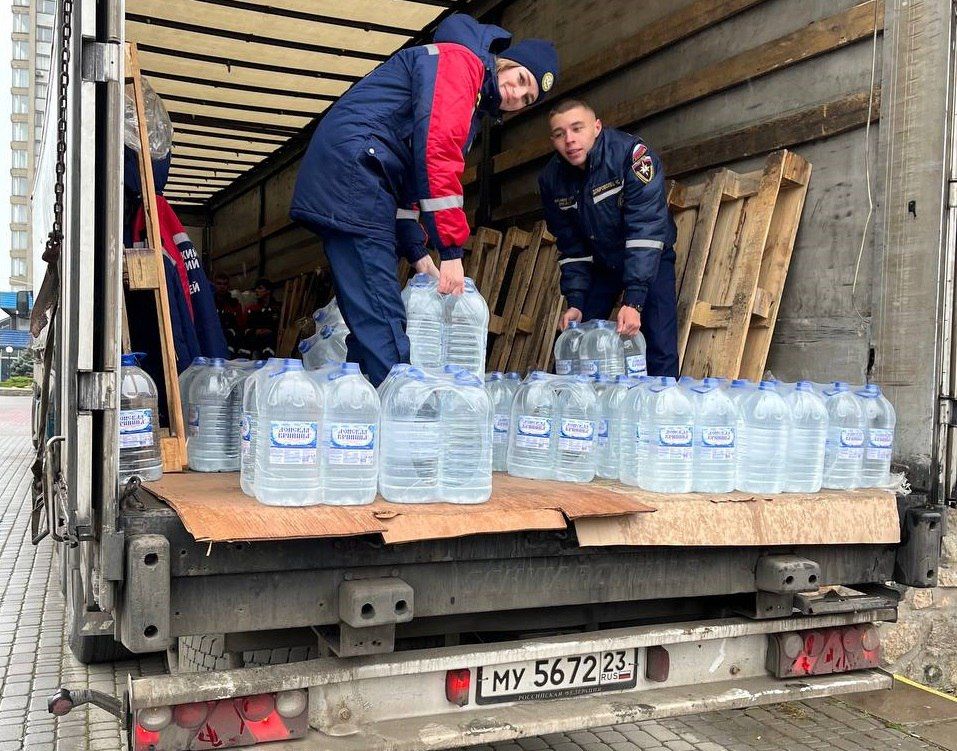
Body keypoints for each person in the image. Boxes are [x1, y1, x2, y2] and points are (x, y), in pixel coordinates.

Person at [291, 14, 559, 386]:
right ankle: (398, 420)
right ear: (507, 63)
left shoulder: (471, 94)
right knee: (383, 318)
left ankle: (359, 418)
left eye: (527, 99)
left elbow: (412, 180)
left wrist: (418, 254)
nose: (516, 96)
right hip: (357, 170)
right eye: (520, 80)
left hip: (362, 171)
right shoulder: (461, 62)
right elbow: (437, 153)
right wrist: (451, 252)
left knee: (371, 317)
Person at [539, 100, 679, 377]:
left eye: (577, 128)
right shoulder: (551, 180)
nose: (570, 140)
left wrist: (635, 300)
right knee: (576, 340)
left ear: (597, 127)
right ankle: (575, 411)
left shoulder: (632, 156)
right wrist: (576, 302)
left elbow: (646, 228)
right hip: (601, 262)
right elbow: (572, 246)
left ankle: (660, 411)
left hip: (648, 256)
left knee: (660, 346)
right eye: (559, 133)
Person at [241, 277, 281, 359]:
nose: (256, 291)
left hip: (270, 340)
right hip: (255, 339)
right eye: (256, 288)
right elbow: (247, 326)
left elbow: (279, 326)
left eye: (260, 288)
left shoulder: (277, 309)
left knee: (269, 339)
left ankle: (267, 363)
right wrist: (256, 331)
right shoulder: (252, 308)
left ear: (268, 291)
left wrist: (269, 330)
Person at [212, 272, 245, 357]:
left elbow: (240, 325)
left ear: (228, 286)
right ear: (214, 284)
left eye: (225, 284)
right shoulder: (209, 303)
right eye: (219, 284)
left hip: (231, 340)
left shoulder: (234, 304)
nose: (222, 286)